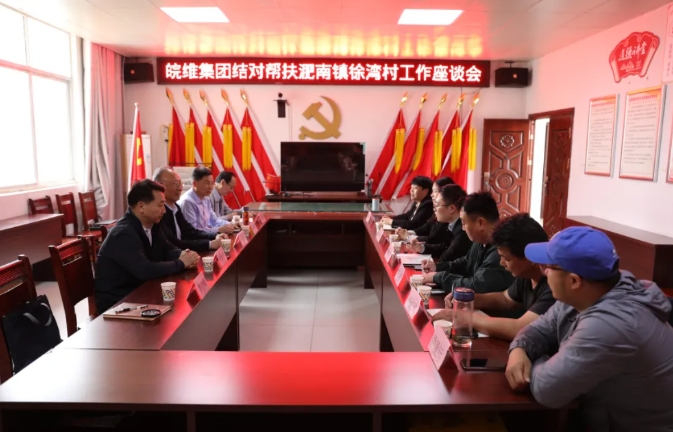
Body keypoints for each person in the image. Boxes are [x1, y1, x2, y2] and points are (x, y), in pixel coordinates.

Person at [506, 226, 673, 431]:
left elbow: (548, 390)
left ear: (574, 280)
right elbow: (539, 329)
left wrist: (534, 361)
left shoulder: (610, 325)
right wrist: (519, 351)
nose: (544, 272)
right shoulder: (592, 290)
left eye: (548, 267)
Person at [432, 213, 554, 341]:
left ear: (531, 257)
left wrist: (464, 317)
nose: (501, 263)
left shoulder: (554, 284)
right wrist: (468, 299)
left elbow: (520, 329)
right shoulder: (527, 274)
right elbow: (506, 299)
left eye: (506, 259)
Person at [94, 180, 200, 313]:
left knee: (182, 306)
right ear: (141, 207)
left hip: (142, 293)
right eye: (160, 205)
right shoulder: (123, 234)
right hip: (119, 304)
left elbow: (167, 248)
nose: (164, 211)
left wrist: (184, 255)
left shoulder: (152, 224)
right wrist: (181, 263)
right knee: (179, 311)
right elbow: (145, 270)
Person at [420, 191, 513, 294]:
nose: (463, 229)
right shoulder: (480, 240)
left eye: (464, 223)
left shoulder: (501, 249)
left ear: (480, 223)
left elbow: (476, 286)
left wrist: (440, 277)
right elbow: (466, 262)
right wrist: (437, 267)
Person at [153, 167, 224, 253]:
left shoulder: (175, 207)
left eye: (180, 184)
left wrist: (214, 235)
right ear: (160, 186)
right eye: (175, 184)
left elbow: (190, 231)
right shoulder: (159, 212)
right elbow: (174, 243)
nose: (180, 188)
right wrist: (209, 244)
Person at [408, 184, 472, 262]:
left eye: (437, 205)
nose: (434, 209)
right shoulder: (451, 224)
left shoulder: (462, 230)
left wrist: (433, 265)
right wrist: (421, 248)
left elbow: (446, 257)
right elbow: (444, 247)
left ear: (451, 208)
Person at [178, 167, 236, 234]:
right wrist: (218, 230)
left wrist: (230, 224)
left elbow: (214, 220)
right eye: (207, 183)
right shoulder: (187, 202)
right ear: (195, 184)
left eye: (212, 183)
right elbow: (193, 232)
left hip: (205, 236)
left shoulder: (206, 199)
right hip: (196, 239)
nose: (211, 187)